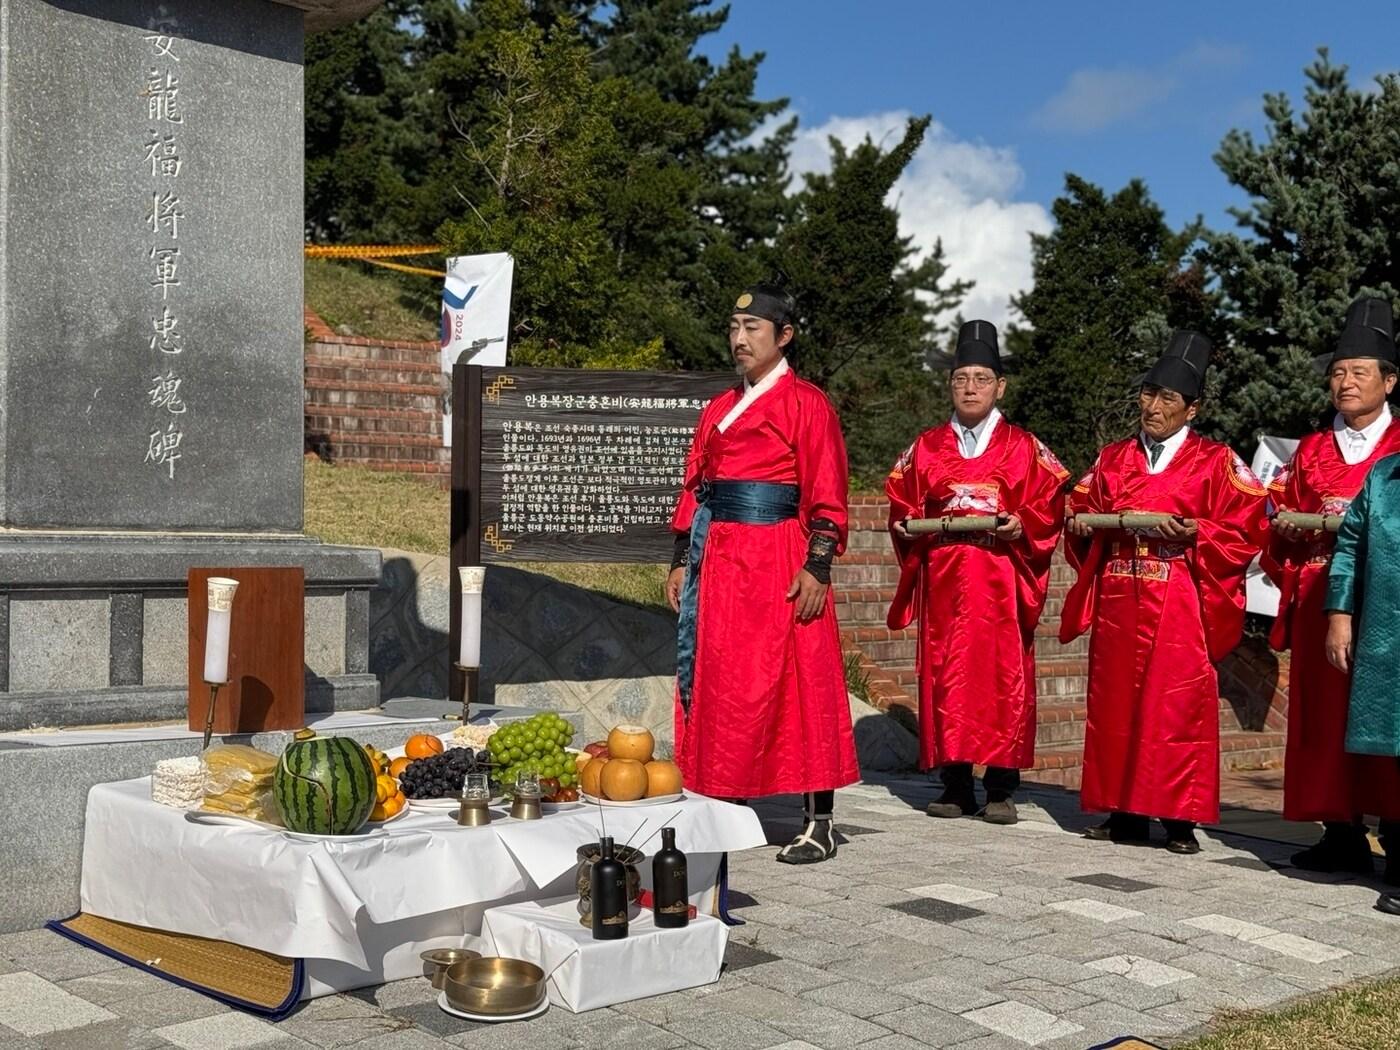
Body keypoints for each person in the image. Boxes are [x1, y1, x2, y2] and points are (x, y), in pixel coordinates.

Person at [666, 284, 859, 864]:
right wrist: (681, 558)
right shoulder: (720, 408)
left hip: (778, 553)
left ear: (785, 336)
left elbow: (828, 488)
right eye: (734, 327)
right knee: (722, 675)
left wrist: (818, 564)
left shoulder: (808, 404)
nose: (740, 338)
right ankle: (719, 801)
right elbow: (695, 483)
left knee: (801, 677)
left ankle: (818, 821)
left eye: (753, 328)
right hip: (718, 556)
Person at [1062, 330, 1266, 854]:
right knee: (1115, 701)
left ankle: (1179, 817)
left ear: (1191, 409)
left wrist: (1199, 532)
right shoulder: (1112, 458)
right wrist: (1082, 524)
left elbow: (1250, 525)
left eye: (1167, 399)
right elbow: (1078, 506)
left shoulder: (1217, 461)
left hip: (1178, 592)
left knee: (1176, 703)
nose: (1153, 408)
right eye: (1148, 394)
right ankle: (1123, 809)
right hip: (1118, 589)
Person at [884, 320, 1069, 825]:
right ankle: (956, 781)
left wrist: (1022, 523)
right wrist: (907, 522)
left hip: (999, 579)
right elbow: (899, 496)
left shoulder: (1025, 446)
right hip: (945, 580)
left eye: (981, 378)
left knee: (1002, 676)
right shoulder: (925, 446)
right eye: (961, 378)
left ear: (1000, 386)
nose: (970, 387)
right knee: (948, 675)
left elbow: (1052, 503)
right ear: (950, 385)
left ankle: (1002, 786)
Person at [1265, 296, 1400, 877]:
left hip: (1390, 600)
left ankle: (1394, 831)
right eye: (1338, 373)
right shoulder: (1312, 450)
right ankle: (1339, 830)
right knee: (1323, 716)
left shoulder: (1398, 451)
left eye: (1358, 373)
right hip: (1323, 595)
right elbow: (1275, 512)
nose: (1345, 383)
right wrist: (1288, 527)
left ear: (1389, 381)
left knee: (1387, 712)